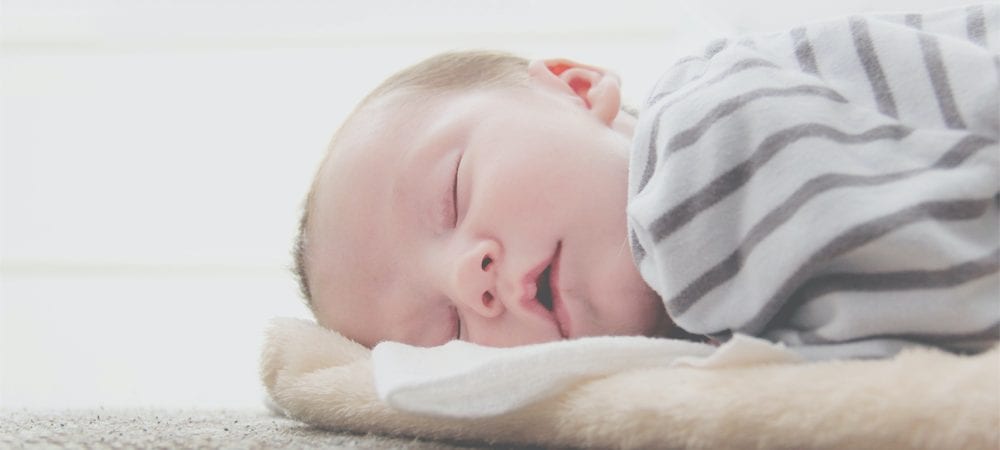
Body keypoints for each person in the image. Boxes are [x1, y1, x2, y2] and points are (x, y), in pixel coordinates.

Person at [294, 4, 999, 359]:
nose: (466, 278)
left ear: (574, 87)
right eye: (445, 334)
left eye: (451, 193)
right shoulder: (694, 316)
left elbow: (963, 282)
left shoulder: (692, 154)